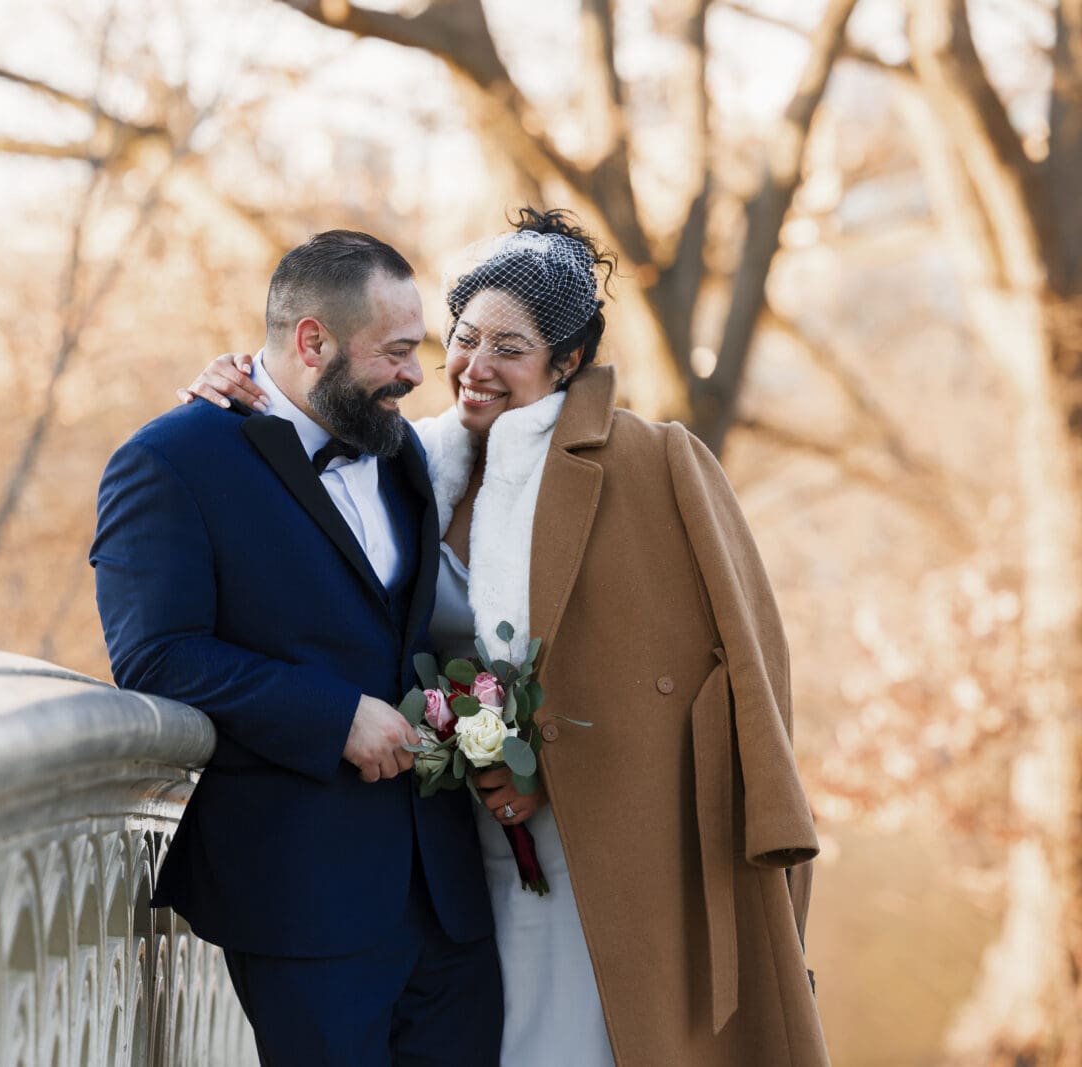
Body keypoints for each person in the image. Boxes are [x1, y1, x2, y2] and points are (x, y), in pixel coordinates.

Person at [179, 208, 830, 1066]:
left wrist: (563, 773)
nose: (473, 368)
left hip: (612, 838)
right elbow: (294, 460)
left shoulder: (655, 462)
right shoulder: (406, 461)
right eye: (462, 337)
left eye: (511, 348)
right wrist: (231, 385)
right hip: (453, 849)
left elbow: (748, 666)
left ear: (567, 362)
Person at [91, 230, 504, 1066]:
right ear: (312, 341)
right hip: (302, 897)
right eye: (397, 351)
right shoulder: (168, 462)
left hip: (449, 899)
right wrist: (331, 716)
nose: (418, 374)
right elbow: (156, 657)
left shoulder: (401, 454)